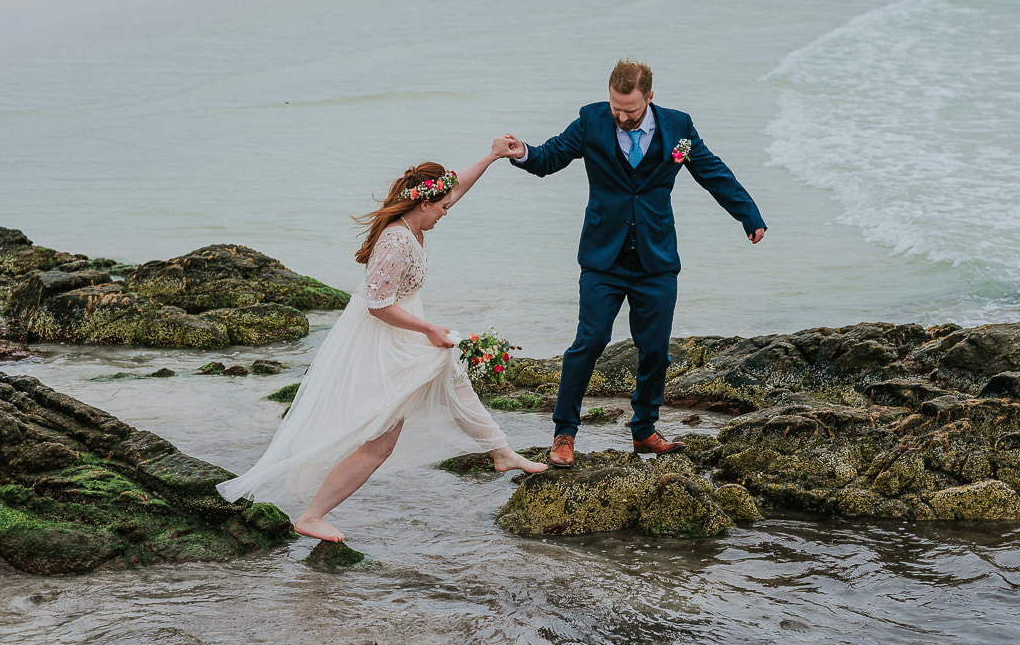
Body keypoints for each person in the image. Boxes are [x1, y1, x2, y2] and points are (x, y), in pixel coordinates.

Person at [217, 143, 547, 543]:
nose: (448, 211)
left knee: (452, 378)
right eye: (443, 207)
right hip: (384, 341)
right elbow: (377, 304)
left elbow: (456, 187)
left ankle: (500, 451)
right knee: (380, 443)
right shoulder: (396, 241)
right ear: (425, 203)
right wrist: (428, 329)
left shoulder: (417, 221)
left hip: (402, 334)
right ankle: (312, 516)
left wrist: (493, 156)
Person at [499, 58, 766, 468]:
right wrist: (524, 153)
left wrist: (747, 214)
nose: (621, 116)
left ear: (650, 98)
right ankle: (564, 434)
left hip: (655, 258)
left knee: (656, 349)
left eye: (630, 110)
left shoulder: (679, 127)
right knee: (588, 344)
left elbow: (712, 172)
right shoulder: (591, 120)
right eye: (616, 107)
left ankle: (644, 430)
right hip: (603, 259)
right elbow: (551, 157)